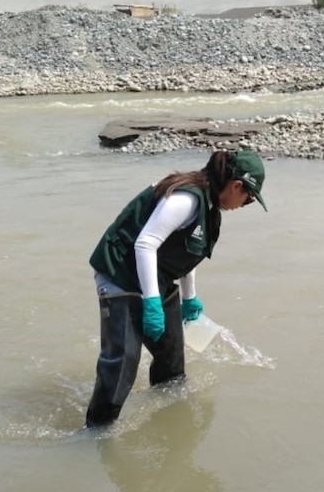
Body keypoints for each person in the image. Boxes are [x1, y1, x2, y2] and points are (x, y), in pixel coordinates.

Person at [84, 149, 268, 428]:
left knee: (171, 359)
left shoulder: (209, 208)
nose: (247, 203)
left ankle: (168, 422)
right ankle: (96, 433)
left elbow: (184, 252)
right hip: (120, 273)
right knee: (122, 364)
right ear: (236, 186)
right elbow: (145, 244)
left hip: (155, 275)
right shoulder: (186, 199)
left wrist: (189, 298)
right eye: (249, 198)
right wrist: (152, 304)